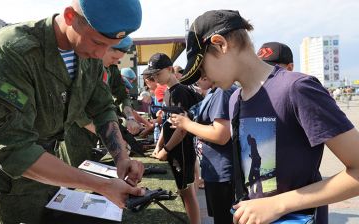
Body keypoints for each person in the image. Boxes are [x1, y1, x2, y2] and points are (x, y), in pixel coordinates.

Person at [179, 9, 359, 224]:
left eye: (200, 67)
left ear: (220, 44)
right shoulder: (236, 98)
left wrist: (279, 204)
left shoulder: (296, 89)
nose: (203, 78)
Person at [0, 1, 145, 223]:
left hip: (53, 168)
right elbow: (14, 149)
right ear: (69, 17)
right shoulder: (13, 49)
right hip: (14, 181)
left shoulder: (88, 54)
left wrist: (121, 157)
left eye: (109, 45)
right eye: (97, 42)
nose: (100, 54)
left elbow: (102, 108)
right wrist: (102, 185)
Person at [62, 36, 141, 167]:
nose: (116, 62)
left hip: (96, 128)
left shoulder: (112, 69)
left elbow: (122, 95)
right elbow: (75, 109)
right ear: (104, 48)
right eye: (114, 58)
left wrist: (130, 117)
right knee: (75, 173)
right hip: (75, 132)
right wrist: (108, 136)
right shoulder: (83, 66)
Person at [171, 74, 237, 224]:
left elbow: (221, 135)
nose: (198, 78)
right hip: (215, 171)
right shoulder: (214, 92)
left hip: (223, 173)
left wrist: (186, 124)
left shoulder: (222, 91)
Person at [146, 53, 202, 224]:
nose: (155, 77)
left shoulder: (180, 92)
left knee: (187, 194)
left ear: (170, 69)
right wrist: (159, 146)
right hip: (175, 149)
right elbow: (167, 124)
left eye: (158, 73)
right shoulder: (169, 92)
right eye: (153, 75)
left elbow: (182, 129)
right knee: (184, 192)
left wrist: (166, 149)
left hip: (182, 150)